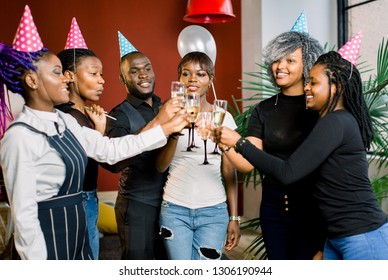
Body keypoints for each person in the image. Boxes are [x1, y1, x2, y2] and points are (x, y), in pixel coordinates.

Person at [0, 6, 187, 260]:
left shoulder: (66, 122)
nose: (67, 79)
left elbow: (111, 151)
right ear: (32, 81)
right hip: (47, 238)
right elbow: (23, 216)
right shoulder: (19, 136)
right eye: (57, 73)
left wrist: (164, 127)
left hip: (76, 232)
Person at [216, 51, 388, 260]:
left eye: (314, 83)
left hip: (362, 236)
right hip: (336, 237)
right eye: (307, 81)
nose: (306, 87)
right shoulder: (329, 122)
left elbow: (288, 172)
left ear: (338, 87)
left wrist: (239, 142)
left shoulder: (337, 122)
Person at [222, 31, 326, 260]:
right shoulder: (263, 109)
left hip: (312, 210)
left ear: (307, 63)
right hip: (273, 210)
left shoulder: (320, 106)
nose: (281, 66)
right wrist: (222, 141)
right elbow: (248, 164)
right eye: (277, 59)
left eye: (290, 60)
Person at [103, 33, 183, 260]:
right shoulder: (118, 116)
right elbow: (115, 161)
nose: (143, 75)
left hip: (172, 204)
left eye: (147, 68)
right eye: (134, 71)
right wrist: (156, 124)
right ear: (122, 78)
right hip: (138, 206)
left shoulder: (166, 105)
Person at [157, 51, 240, 260]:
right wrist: (175, 130)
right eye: (186, 74)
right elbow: (159, 166)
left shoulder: (223, 117)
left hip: (214, 211)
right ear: (179, 80)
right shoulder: (168, 113)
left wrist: (234, 217)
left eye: (201, 74)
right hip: (174, 209)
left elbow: (229, 170)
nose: (193, 78)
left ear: (210, 79)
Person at [54, 18, 106, 260]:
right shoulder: (66, 116)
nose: (101, 80)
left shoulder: (84, 115)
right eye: (94, 73)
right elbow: (91, 158)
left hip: (88, 198)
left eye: (101, 74)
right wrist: (101, 130)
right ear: (70, 76)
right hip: (77, 200)